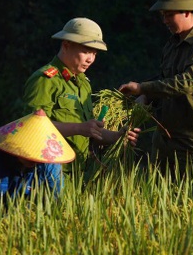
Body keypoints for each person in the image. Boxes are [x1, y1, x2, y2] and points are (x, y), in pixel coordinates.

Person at [118, 0, 193, 177]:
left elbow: (187, 83)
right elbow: (165, 80)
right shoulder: (172, 44)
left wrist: (142, 88)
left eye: (169, 15)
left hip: (192, 140)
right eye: (163, 16)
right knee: (159, 192)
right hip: (164, 137)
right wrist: (145, 96)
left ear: (187, 12)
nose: (165, 21)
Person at [19, 18, 132, 161]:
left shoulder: (83, 83)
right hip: (50, 168)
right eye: (86, 51)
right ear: (66, 45)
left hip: (78, 169)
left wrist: (118, 136)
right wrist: (79, 128)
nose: (90, 59)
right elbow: (32, 126)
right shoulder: (46, 80)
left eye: (94, 54)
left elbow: (89, 131)